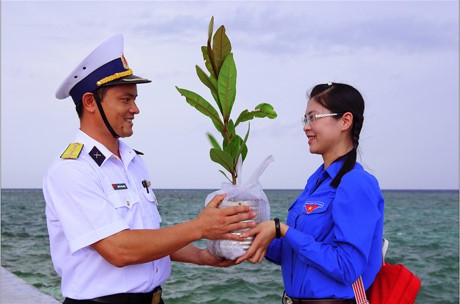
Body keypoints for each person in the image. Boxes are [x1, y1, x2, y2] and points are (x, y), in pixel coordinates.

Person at [43, 34, 256, 304]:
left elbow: (148, 239)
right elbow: (119, 249)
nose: (136, 109)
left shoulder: (132, 161)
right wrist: (201, 227)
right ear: (89, 103)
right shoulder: (72, 170)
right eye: (125, 100)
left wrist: (202, 256)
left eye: (135, 99)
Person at [236, 83, 384, 304]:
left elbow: (347, 267)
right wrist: (253, 231)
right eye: (305, 119)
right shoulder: (316, 182)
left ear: (345, 121)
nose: (306, 127)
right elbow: (295, 255)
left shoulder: (356, 183)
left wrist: (282, 230)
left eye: (313, 117)